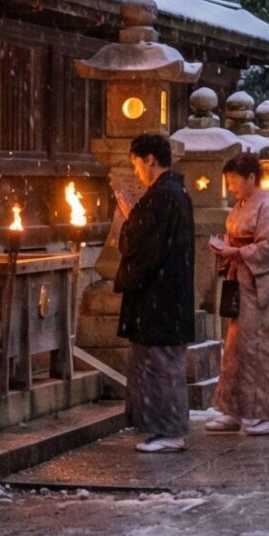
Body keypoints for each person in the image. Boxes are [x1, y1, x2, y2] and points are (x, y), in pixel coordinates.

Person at [115, 132, 195, 453]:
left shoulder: (165, 195)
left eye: (137, 163)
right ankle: (163, 428)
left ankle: (170, 430)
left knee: (162, 364)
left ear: (150, 159)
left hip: (161, 296)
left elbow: (144, 244)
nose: (136, 171)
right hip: (167, 294)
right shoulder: (173, 193)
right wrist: (134, 216)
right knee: (159, 362)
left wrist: (130, 218)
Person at [207, 155, 269, 435]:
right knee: (235, 348)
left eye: (234, 181)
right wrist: (225, 249)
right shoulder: (240, 206)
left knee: (259, 348)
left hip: (256, 285)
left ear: (252, 177)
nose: (231, 188)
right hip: (239, 280)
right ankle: (234, 410)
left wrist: (237, 252)